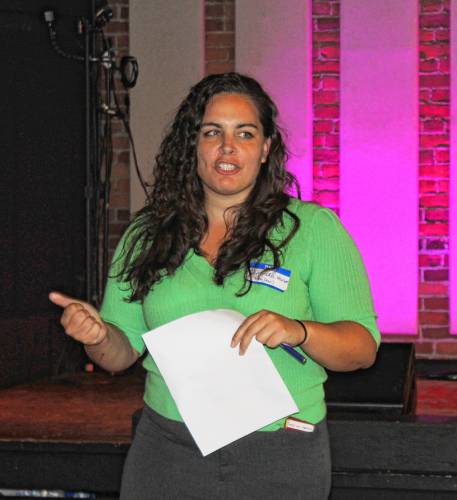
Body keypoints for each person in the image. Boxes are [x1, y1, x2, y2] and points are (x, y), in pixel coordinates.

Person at [49, 72, 380, 499]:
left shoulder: (313, 230)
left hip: (278, 452)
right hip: (168, 450)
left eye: (244, 133)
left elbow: (361, 349)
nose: (227, 147)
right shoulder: (146, 235)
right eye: (212, 132)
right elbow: (118, 354)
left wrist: (300, 330)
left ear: (265, 149)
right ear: (194, 146)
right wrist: (96, 336)